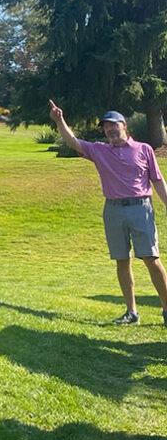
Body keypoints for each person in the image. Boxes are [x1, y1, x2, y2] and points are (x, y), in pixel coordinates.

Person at [49, 100, 167, 326]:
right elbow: (73, 142)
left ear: (124, 125)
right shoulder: (99, 150)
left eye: (113, 125)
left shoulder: (144, 149)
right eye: (106, 127)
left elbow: (158, 181)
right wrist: (59, 120)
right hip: (113, 210)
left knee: (152, 260)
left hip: (140, 208)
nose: (110, 130)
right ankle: (131, 312)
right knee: (122, 261)